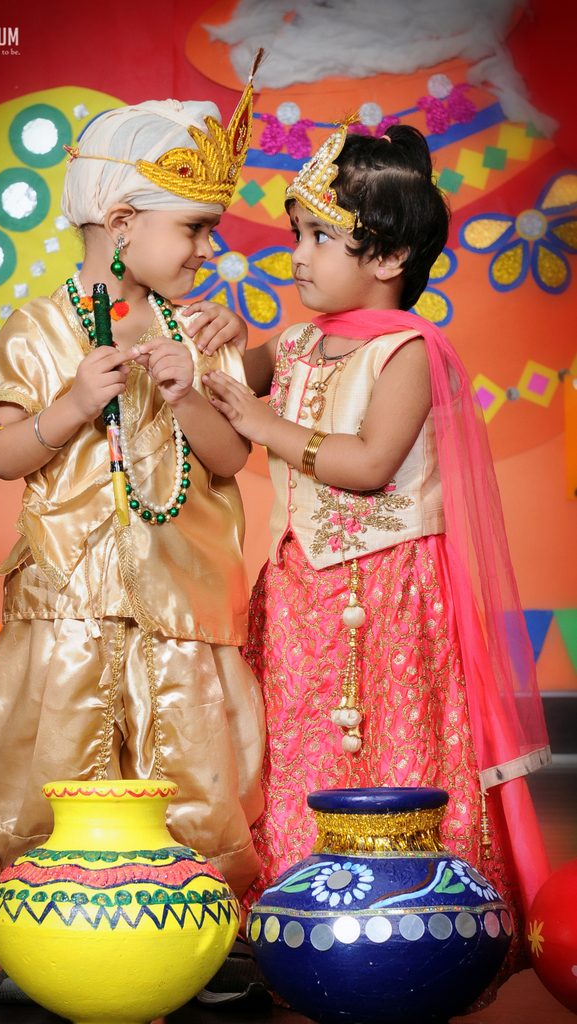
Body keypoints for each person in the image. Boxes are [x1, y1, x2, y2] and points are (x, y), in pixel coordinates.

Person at [204, 121, 551, 995]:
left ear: (389, 254)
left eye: (321, 236)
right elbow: (216, 403)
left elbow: (365, 465)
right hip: (297, 592)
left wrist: (258, 424)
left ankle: (410, 924)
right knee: (298, 752)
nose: (298, 255)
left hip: (389, 593)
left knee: (391, 751)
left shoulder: (408, 351)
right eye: (296, 234)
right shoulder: (289, 346)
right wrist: (191, 357)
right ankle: (293, 922)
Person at [0, 83, 268, 922]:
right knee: (51, 768)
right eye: (195, 228)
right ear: (124, 221)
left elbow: (230, 457)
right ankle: (43, 919)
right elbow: (3, 455)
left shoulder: (200, 333)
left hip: (183, 603)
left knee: (199, 775)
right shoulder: (35, 330)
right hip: (69, 602)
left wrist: (189, 397)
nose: (208, 248)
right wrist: (67, 408)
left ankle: (209, 924)